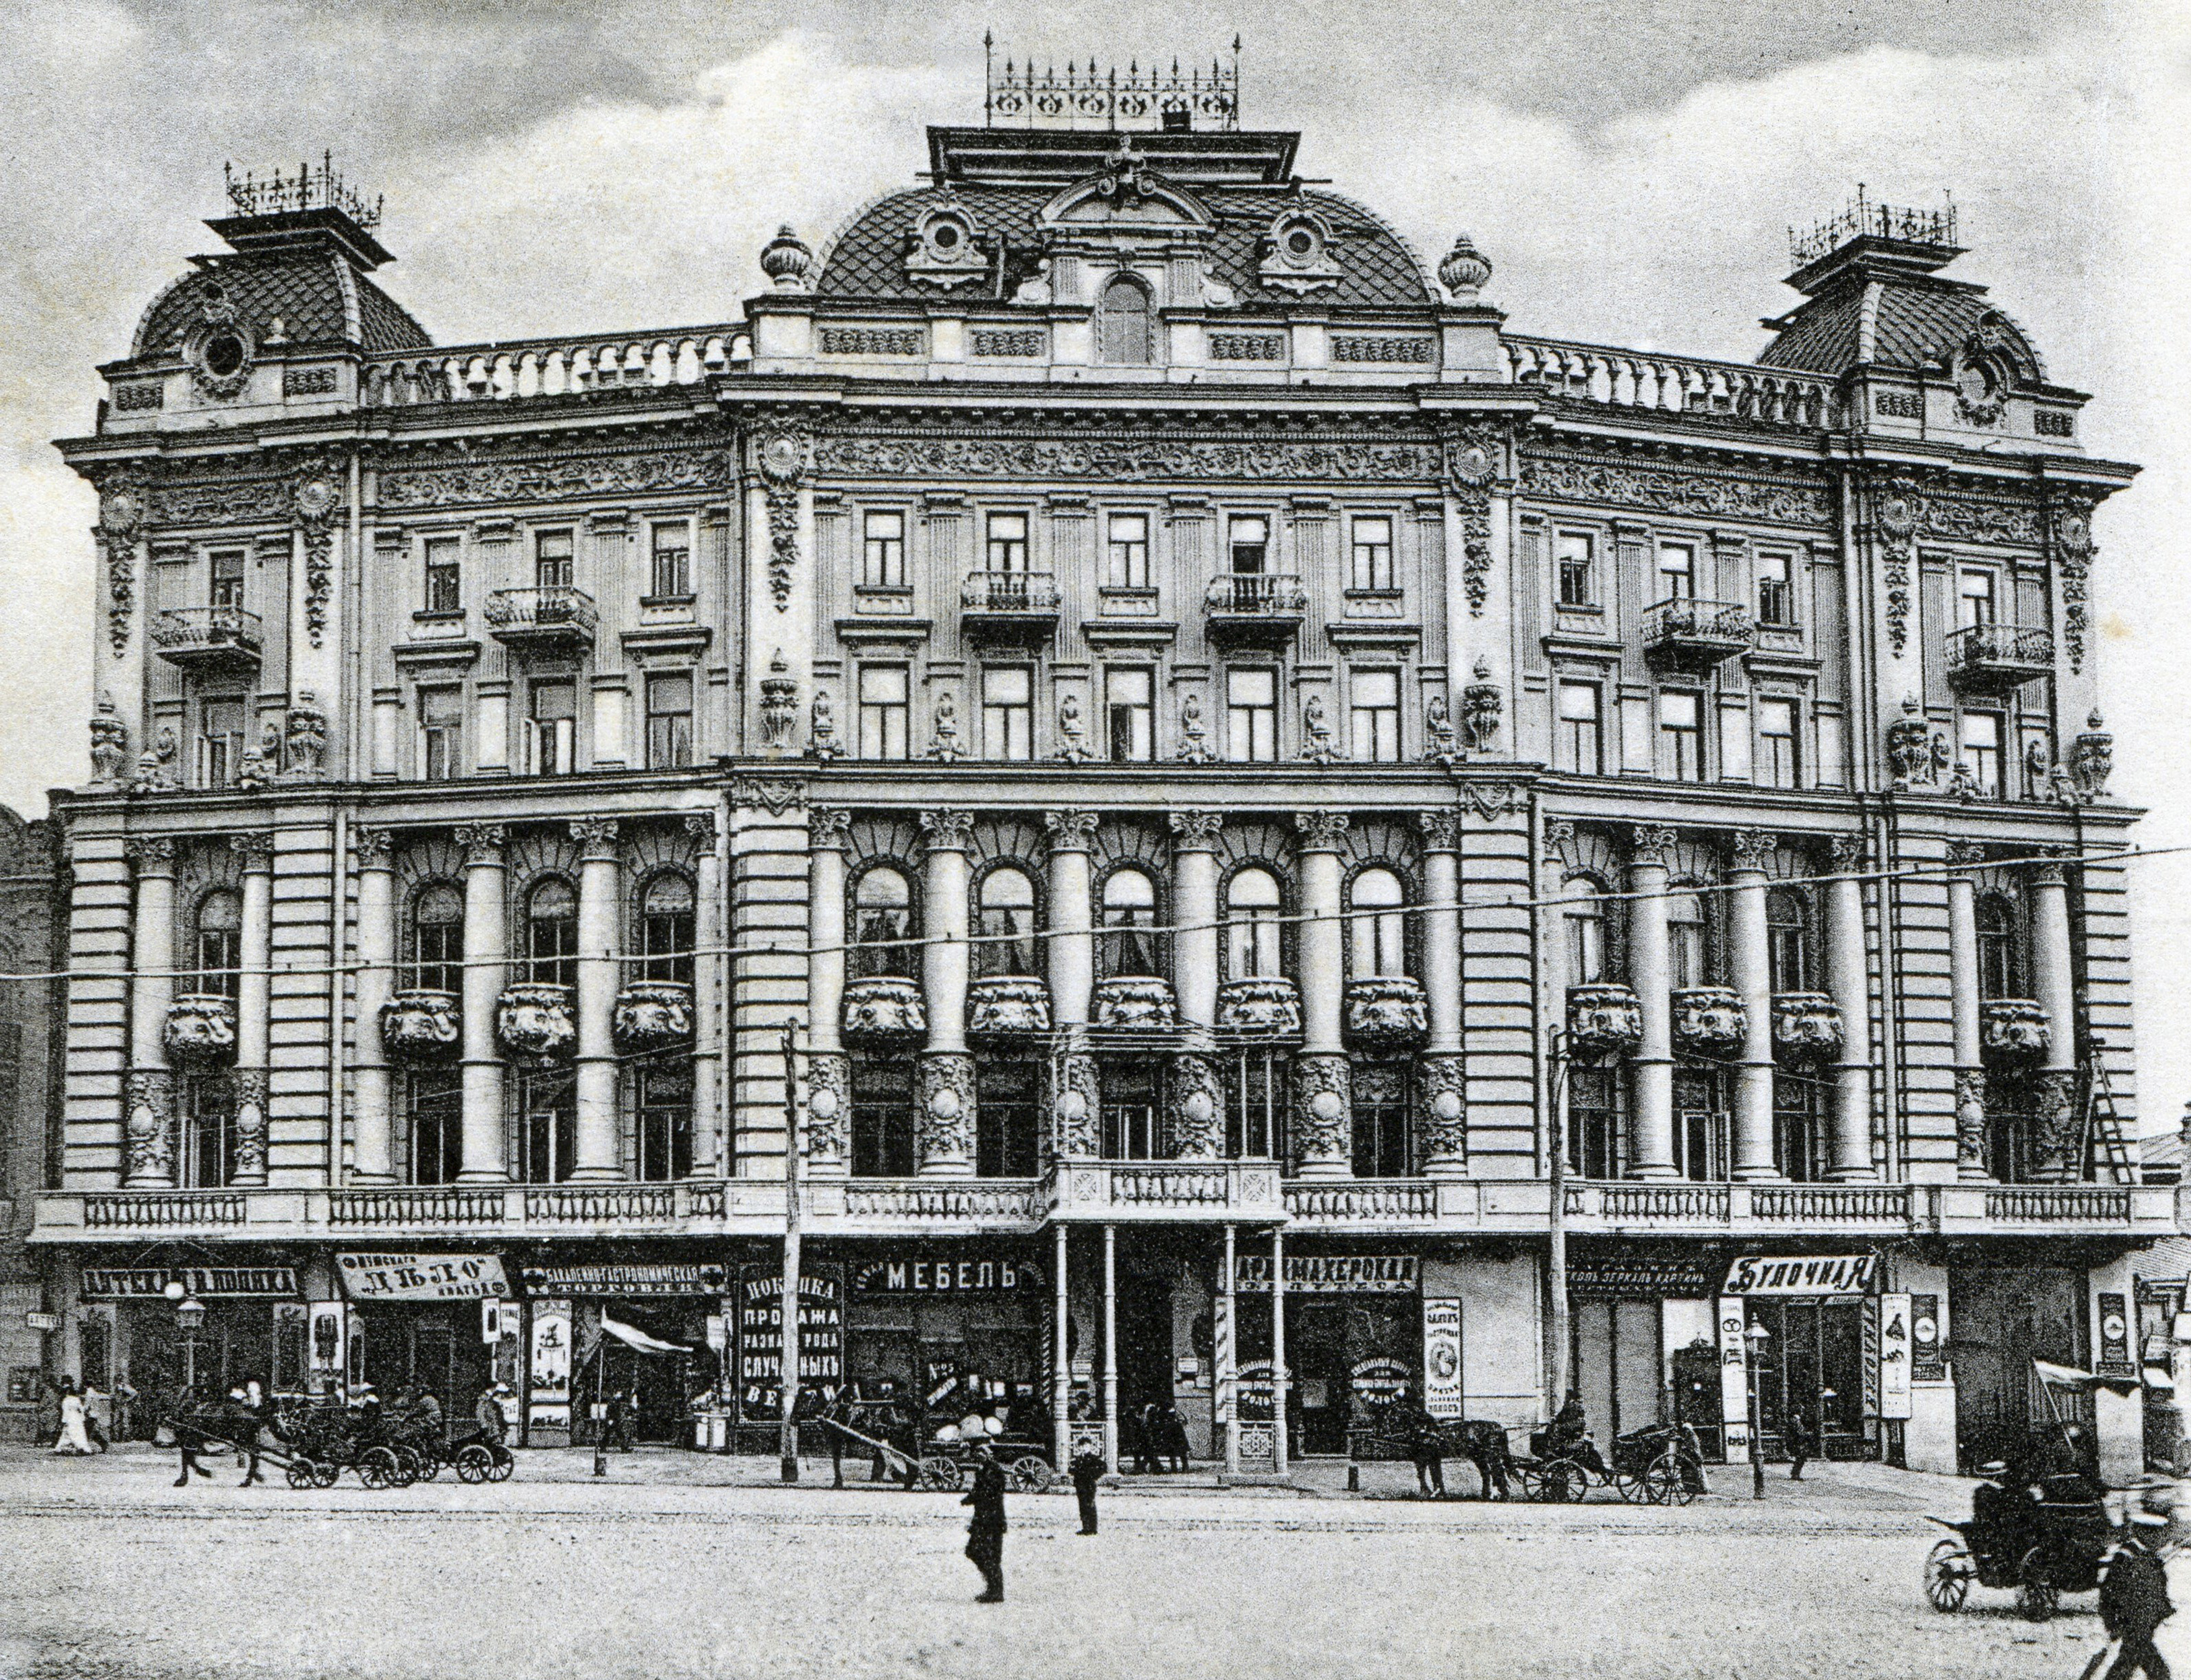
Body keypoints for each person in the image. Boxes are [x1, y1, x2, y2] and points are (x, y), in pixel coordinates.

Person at [2099, 1509, 2176, 1679]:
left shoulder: (2150, 1557)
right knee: (2155, 1671)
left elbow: (2157, 1589)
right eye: (2155, 1534)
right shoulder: (2126, 1557)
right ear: (2142, 1533)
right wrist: (2113, 1622)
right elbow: (2109, 1591)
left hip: (2144, 1625)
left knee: (2127, 1667)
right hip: (2132, 1624)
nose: (2159, 1539)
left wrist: (2163, 1609)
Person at [962, 1442, 1008, 1602]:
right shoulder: (984, 1470)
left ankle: (995, 1591)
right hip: (984, 1519)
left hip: (991, 1520)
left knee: (986, 1554)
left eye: (982, 1453)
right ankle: (992, 1588)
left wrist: (971, 1498)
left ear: (988, 1455)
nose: (978, 1457)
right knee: (976, 1552)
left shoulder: (993, 1471)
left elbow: (988, 1492)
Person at [52, 1379, 93, 1456]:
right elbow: (81, 1410)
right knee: (79, 1432)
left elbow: (65, 1411)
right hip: (77, 1418)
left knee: (68, 1432)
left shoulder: (66, 1401)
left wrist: (64, 1421)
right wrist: (82, 1418)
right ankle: (83, 1448)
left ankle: (60, 1448)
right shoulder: (77, 1400)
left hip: (70, 1417)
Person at [1070, 1448, 1105, 1536]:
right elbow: (1072, 1469)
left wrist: (1094, 1476)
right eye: (1082, 1446)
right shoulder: (1079, 1458)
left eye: (1085, 1446)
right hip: (1080, 1485)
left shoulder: (1093, 1458)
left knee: (1090, 1505)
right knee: (1083, 1506)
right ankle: (1086, 1528)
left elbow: (1103, 1467)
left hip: (1089, 1484)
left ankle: (1092, 1528)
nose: (1083, 1448)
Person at [1786, 1400, 1817, 1482]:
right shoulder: (1795, 1421)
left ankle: (1795, 1473)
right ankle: (1796, 1474)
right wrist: (1807, 1434)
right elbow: (1799, 1433)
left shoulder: (1794, 1420)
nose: (1803, 1412)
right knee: (1801, 1458)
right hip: (1798, 1443)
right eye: (1802, 1410)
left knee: (1800, 1458)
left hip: (1797, 1442)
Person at [1160, 1402, 1190, 1473]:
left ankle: (1176, 1469)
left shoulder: (1170, 1424)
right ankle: (1183, 1468)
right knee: (1179, 1454)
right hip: (1177, 1440)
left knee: (1175, 1455)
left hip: (1175, 1440)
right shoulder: (1176, 1424)